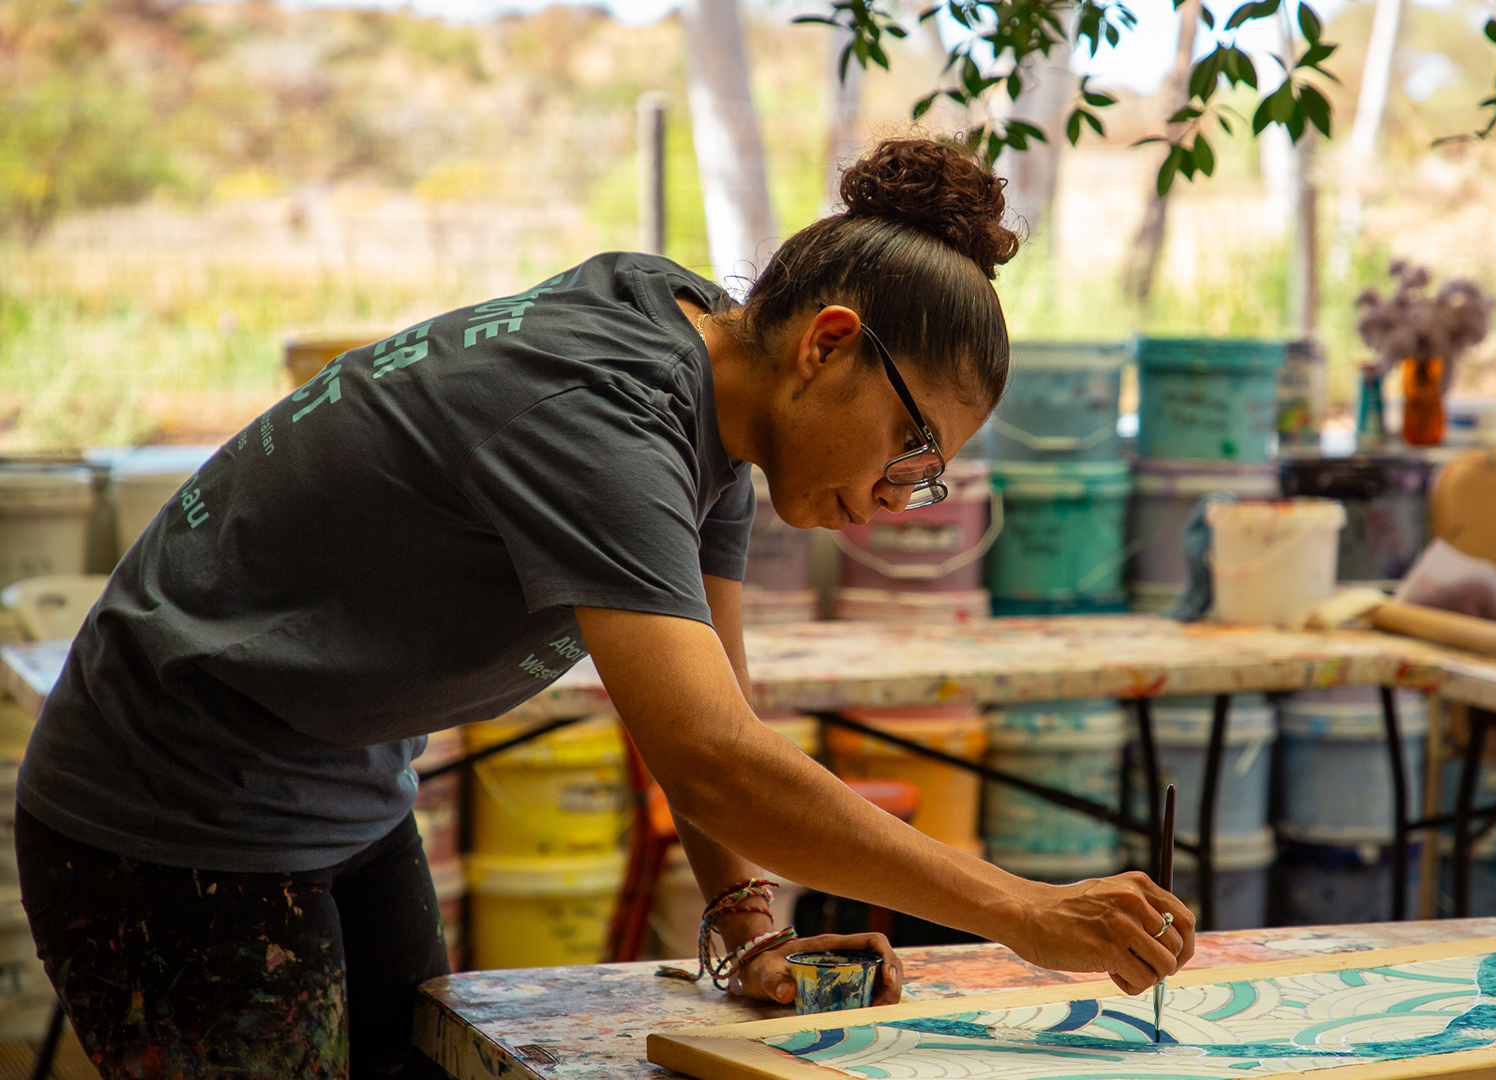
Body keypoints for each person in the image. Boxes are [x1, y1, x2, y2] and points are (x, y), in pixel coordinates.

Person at [16, 139, 1196, 1079]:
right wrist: (1022, 912)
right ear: (828, 346)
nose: (898, 502)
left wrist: (747, 920)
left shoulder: (714, 409)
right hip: (167, 805)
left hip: (334, 786)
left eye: (926, 478)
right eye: (911, 449)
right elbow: (720, 762)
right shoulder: (605, 412)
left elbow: (714, 725)